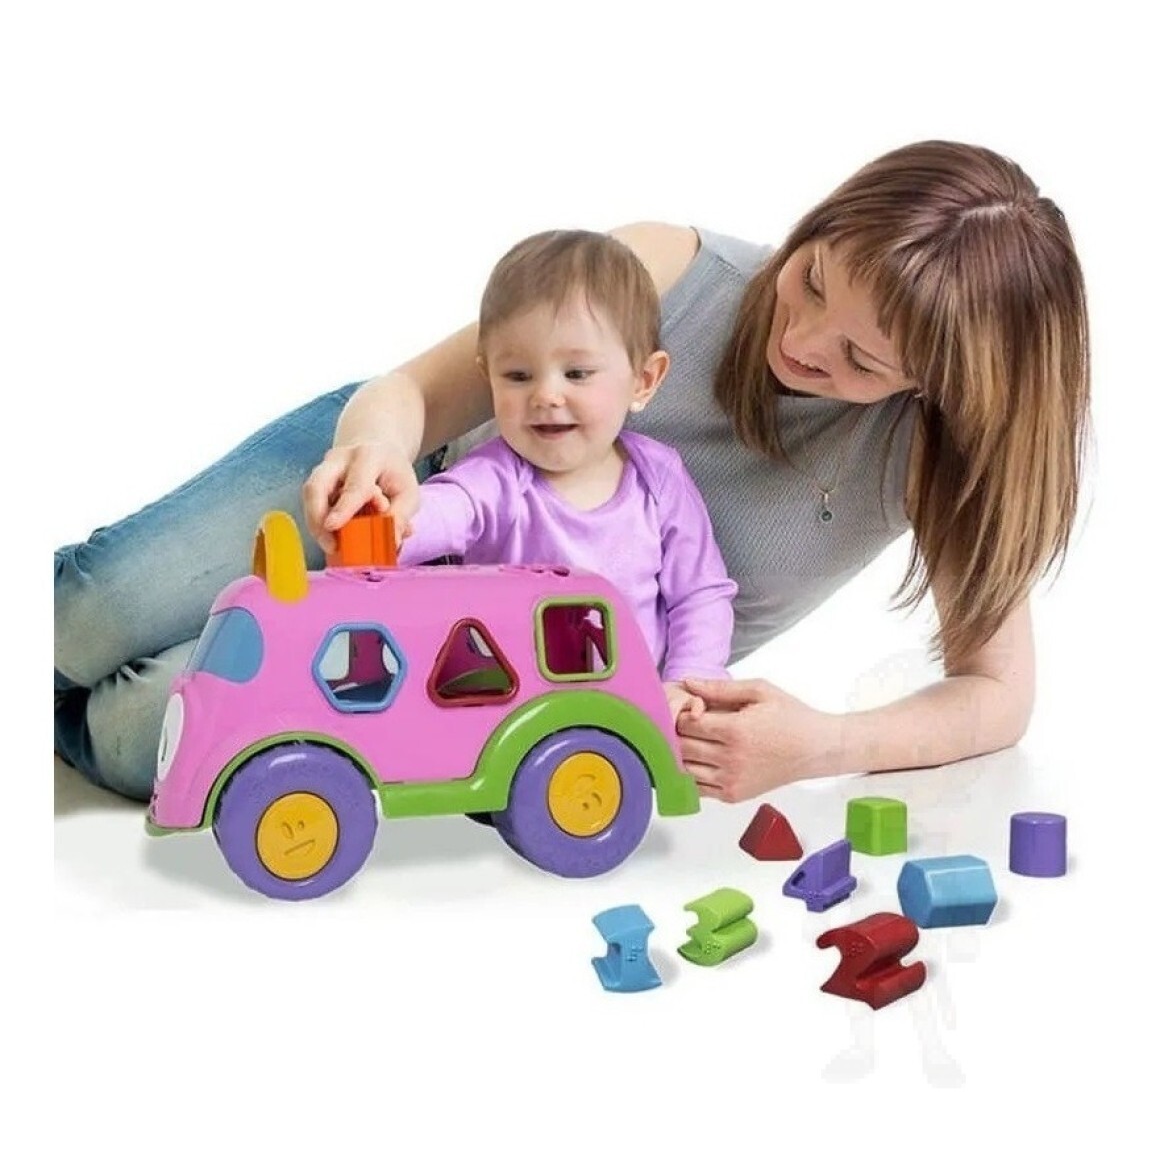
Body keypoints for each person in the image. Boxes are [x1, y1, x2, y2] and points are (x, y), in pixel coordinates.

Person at [55, 139, 1090, 805]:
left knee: (144, 728)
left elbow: (997, 694)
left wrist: (819, 743)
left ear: (939, 383)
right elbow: (413, 391)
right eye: (811, 277)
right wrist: (372, 451)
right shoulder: (672, 269)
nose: (803, 339)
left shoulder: (931, 459)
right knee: (88, 614)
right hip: (413, 488)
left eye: (860, 358)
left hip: (503, 660)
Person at [386, 230, 737, 720]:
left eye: (576, 374)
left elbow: (699, 594)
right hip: (507, 716)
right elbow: (442, 511)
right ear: (489, 377)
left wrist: (686, 680)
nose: (546, 396)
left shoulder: (658, 479)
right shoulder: (495, 479)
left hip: (629, 715)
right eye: (518, 376)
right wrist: (389, 520)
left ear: (643, 380)